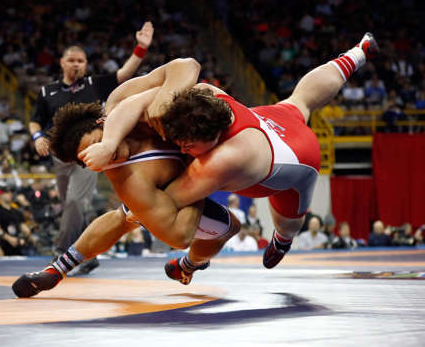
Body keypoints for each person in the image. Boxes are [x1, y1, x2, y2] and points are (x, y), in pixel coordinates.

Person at [80, 33, 379, 269]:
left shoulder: (221, 161)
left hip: (299, 157)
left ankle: (282, 241)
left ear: (211, 138)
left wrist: (130, 190)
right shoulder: (204, 94)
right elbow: (136, 102)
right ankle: (358, 52)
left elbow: (164, 206)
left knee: (288, 224)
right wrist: (109, 143)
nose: (181, 147)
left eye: (187, 145)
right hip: (270, 120)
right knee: (299, 101)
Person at [12, 85, 241, 297]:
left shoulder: (131, 111)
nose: (104, 153)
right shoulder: (129, 180)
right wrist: (198, 180)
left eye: (99, 142)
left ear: (104, 122)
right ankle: (189, 265)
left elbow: (186, 65)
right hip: (171, 200)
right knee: (231, 226)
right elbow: (180, 237)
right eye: (92, 156)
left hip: (183, 166)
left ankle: (58, 268)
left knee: (125, 215)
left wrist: (162, 96)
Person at [28, 22, 154, 274]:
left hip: (88, 154)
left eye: (81, 61)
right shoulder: (48, 91)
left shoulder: (94, 84)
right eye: (72, 60)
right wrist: (37, 137)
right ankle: (89, 255)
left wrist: (140, 48)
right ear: (62, 63)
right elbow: (34, 120)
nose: (76, 64)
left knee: (75, 202)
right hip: (59, 157)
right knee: (71, 207)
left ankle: (62, 252)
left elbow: (124, 74)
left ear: (85, 65)